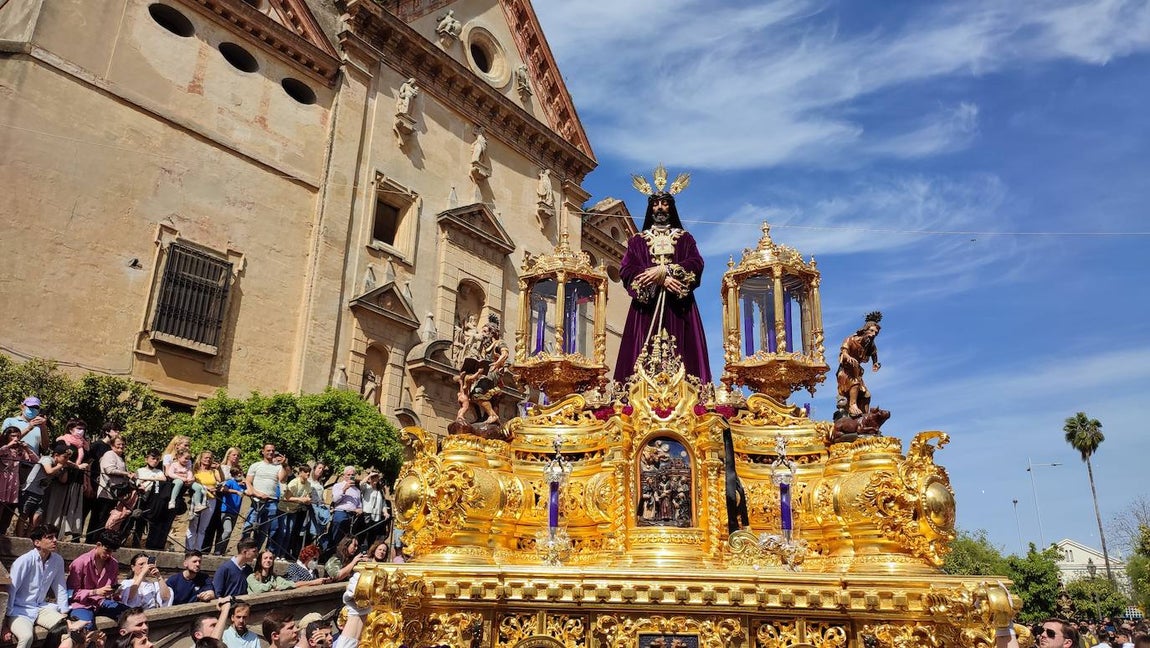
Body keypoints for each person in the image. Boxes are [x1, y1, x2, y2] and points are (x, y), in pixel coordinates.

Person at [613, 172, 710, 383]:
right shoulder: (637, 241)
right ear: (650, 209)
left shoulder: (684, 239)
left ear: (670, 208)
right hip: (646, 309)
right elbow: (627, 269)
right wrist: (658, 278)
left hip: (679, 307)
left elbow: (696, 263)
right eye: (655, 204)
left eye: (664, 204)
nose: (659, 208)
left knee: (684, 355)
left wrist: (667, 271)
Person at [3, 524, 69, 648]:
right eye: (50, 537)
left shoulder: (57, 560)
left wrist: (64, 611)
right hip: (19, 609)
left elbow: (60, 587)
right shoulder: (24, 561)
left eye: (55, 537)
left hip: (40, 607)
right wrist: (4, 623)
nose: (55, 540)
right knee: (26, 637)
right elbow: (11, 590)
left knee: (67, 628)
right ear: (37, 542)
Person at [68, 532, 127, 627]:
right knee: (85, 626)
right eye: (106, 551)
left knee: (132, 615)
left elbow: (113, 586)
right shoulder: (80, 562)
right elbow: (71, 593)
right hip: (81, 604)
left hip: (102, 602)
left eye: (112, 552)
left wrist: (115, 592)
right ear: (98, 545)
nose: (109, 555)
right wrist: (95, 592)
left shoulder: (113, 564)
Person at [16, 442, 74, 533]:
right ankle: (19, 536)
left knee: (37, 516)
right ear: (56, 455)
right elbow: (49, 471)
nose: (66, 460)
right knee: (24, 514)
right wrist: (59, 466)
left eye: (68, 458)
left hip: (41, 494)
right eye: (65, 457)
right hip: (29, 491)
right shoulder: (47, 459)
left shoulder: (59, 466)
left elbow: (63, 480)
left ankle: (29, 536)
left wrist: (65, 468)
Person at [47, 419, 89, 541]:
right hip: (61, 477)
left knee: (70, 510)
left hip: (76, 481)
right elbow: (61, 458)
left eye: (83, 429)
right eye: (78, 428)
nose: (81, 431)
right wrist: (76, 466)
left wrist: (86, 482)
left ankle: (64, 536)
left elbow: (87, 463)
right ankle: (49, 533)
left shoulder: (84, 444)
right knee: (55, 507)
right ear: (71, 429)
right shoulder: (62, 440)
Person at [244, 443, 288, 555]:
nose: (271, 452)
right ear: (263, 451)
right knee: (248, 526)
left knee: (263, 530)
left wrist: (284, 465)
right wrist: (256, 493)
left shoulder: (278, 467)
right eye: (268, 450)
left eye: (273, 450)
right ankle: (244, 551)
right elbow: (248, 482)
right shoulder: (255, 465)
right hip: (256, 501)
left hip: (271, 501)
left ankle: (255, 553)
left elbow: (282, 479)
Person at [836, 311, 882, 417]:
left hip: (856, 371)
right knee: (855, 383)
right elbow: (844, 351)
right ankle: (852, 405)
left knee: (866, 395)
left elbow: (874, 354)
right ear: (865, 330)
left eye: (876, 333)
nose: (873, 334)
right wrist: (848, 356)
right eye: (871, 331)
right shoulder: (851, 339)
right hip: (845, 371)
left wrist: (875, 363)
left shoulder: (870, 345)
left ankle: (865, 417)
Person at [91, 437, 132, 541]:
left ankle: (100, 539)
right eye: (118, 444)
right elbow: (109, 469)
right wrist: (126, 473)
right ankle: (92, 539)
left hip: (114, 494)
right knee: (100, 518)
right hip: (106, 491)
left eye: (123, 444)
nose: (121, 446)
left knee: (106, 518)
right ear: (112, 445)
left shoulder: (120, 457)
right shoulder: (109, 454)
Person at [84, 422, 121, 540]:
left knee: (99, 515)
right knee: (85, 511)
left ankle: (93, 539)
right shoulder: (97, 445)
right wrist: (88, 483)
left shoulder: (114, 448)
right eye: (115, 430)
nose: (118, 432)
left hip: (105, 486)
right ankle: (77, 537)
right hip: (93, 482)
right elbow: (88, 464)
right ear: (107, 431)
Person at [0, 425, 36, 533]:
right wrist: (8, 445)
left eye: (18, 436)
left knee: (9, 507)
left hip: (14, 480)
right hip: (2, 478)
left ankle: (2, 531)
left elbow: (35, 460)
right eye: (13, 436)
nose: (16, 438)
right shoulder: (3, 446)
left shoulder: (20, 450)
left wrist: (26, 448)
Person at [125, 450, 165, 548]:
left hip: (151, 498)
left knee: (141, 522)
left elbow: (163, 479)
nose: (155, 461)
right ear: (146, 459)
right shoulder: (140, 470)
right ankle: (123, 540)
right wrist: (140, 483)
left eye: (157, 459)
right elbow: (136, 481)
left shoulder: (159, 471)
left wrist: (147, 479)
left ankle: (136, 544)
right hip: (139, 497)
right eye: (153, 458)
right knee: (130, 520)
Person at [247, 550, 327, 594]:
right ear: (259, 561)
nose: (268, 560)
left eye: (270, 558)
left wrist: (314, 582)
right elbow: (258, 590)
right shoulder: (252, 577)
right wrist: (273, 586)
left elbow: (292, 584)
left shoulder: (274, 577)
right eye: (265, 558)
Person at [188, 451, 223, 551]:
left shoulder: (213, 471)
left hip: (211, 500)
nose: (208, 460)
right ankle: (189, 548)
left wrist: (219, 469)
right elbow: (192, 483)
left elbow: (221, 480)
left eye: (210, 458)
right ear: (201, 458)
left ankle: (198, 550)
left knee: (203, 527)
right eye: (206, 458)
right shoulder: (194, 470)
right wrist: (207, 488)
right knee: (193, 525)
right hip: (198, 499)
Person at [281, 464, 313, 557]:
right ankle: (278, 553)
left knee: (290, 532)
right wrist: (300, 499)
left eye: (309, 472)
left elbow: (307, 496)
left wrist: (307, 500)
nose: (308, 474)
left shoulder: (308, 484)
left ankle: (284, 554)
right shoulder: (294, 483)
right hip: (284, 509)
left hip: (294, 511)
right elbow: (287, 497)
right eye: (306, 472)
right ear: (300, 473)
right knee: (283, 532)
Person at [328, 467, 361, 552]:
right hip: (341, 512)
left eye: (352, 475)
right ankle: (331, 553)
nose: (350, 476)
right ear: (344, 476)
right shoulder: (338, 486)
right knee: (337, 533)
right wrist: (344, 489)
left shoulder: (357, 490)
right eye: (348, 475)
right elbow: (335, 500)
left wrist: (360, 509)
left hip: (352, 516)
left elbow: (359, 504)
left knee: (348, 538)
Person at [213, 472, 246, 555]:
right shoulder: (230, 482)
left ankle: (222, 552)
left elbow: (249, 490)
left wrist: (246, 482)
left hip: (235, 512)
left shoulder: (243, 485)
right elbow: (224, 489)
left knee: (229, 534)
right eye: (237, 474)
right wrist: (236, 492)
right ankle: (217, 550)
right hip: (226, 511)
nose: (239, 475)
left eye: (241, 473)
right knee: (227, 530)